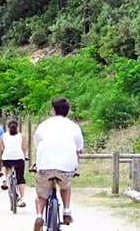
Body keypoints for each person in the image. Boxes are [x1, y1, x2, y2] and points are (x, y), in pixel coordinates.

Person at [33, 97, 84, 231]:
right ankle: (66, 211)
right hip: (66, 168)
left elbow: (37, 145)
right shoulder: (74, 126)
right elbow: (79, 149)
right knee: (65, 186)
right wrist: (75, 166)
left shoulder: (43, 125)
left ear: (53, 110)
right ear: (68, 111)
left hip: (45, 166)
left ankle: (39, 216)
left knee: (41, 194)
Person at [0, 120, 28, 207]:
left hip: (7, 158)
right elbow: (24, 148)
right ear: (17, 127)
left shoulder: (4, 136)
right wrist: (25, 156)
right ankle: (22, 199)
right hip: (19, 159)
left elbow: (0, 148)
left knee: (4, 166)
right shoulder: (21, 136)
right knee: (20, 179)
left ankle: (4, 178)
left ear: (7, 127)